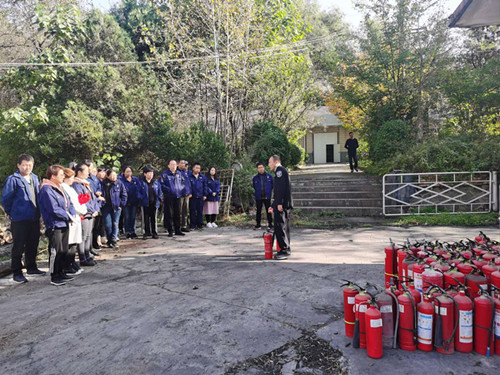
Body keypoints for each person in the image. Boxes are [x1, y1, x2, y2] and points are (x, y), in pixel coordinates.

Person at [1, 154, 44, 283]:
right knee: (18, 246)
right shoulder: (13, 179)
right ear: (18, 165)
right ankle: (17, 272)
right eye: (24, 165)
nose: (27, 167)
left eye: (29, 165)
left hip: (34, 217)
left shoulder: (35, 178)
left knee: (33, 243)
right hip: (19, 218)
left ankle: (31, 267)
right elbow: (6, 199)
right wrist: (10, 212)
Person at [39, 165, 76, 286]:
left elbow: (69, 202)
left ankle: (61, 272)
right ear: (53, 176)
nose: (63, 177)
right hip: (54, 223)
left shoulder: (59, 187)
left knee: (64, 249)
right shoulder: (47, 189)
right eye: (61, 175)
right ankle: (54, 275)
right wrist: (68, 216)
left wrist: (73, 213)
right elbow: (53, 209)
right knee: (56, 250)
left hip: (64, 222)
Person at [72, 163, 100, 265]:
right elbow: (82, 200)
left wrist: (96, 209)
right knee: (83, 236)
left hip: (91, 213)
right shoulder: (76, 184)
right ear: (79, 172)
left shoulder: (85, 183)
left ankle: (88, 255)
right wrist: (92, 210)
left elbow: (92, 198)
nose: (88, 173)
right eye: (86, 171)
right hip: (85, 213)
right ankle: (83, 257)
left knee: (89, 235)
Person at [268, 155, 293, 260]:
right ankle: (285, 248)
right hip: (280, 203)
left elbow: (281, 189)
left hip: (281, 204)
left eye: (270, 162)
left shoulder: (280, 171)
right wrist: (273, 205)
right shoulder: (280, 171)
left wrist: (280, 203)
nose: (269, 165)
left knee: (280, 227)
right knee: (283, 227)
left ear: (276, 161)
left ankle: (284, 250)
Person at [61, 168, 85, 274]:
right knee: (70, 243)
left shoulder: (69, 188)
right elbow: (72, 203)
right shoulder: (63, 188)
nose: (72, 179)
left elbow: (78, 200)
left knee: (74, 242)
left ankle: (72, 262)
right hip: (71, 216)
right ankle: (67, 264)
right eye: (70, 177)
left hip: (76, 216)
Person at [100, 169, 127, 248]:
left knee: (115, 223)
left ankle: (114, 239)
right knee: (108, 225)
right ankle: (109, 240)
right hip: (106, 207)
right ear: (108, 176)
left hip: (116, 207)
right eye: (112, 175)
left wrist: (121, 205)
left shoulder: (119, 183)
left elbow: (124, 195)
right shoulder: (103, 184)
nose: (114, 177)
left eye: (115, 175)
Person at [161, 160, 185, 237]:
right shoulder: (165, 175)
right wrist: (168, 190)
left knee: (177, 214)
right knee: (169, 214)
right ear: (168, 166)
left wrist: (180, 189)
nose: (173, 166)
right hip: (169, 197)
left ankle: (178, 230)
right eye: (172, 165)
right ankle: (170, 230)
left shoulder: (179, 174)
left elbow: (183, 183)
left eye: (175, 164)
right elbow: (161, 185)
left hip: (177, 196)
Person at [138, 165, 162, 240]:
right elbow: (138, 192)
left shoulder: (155, 182)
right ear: (145, 174)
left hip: (154, 203)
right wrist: (141, 198)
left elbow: (159, 192)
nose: (150, 175)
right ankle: (145, 232)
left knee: (153, 218)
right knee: (145, 218)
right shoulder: (141, 183)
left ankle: (154, 232)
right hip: (145, 203)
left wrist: (159, 199)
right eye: (149, 173)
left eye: (152, 173)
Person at [119, 165, 141, 239]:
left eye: (130, 171)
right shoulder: (121, 181)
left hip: (134, 201)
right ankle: (127, 231)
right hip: (126, 202)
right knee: (127, 217)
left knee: (133, 217)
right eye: (127, 171)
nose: (128, 173)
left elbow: (139, 189)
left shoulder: (135, 180)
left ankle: (133, 231)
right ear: (123, 172)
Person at [252, 162, 273, 231]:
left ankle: (270, 224)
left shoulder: (269, 176)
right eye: (259, 168)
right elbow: (254, 187)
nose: (260, 169)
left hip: (267, 196)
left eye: (261, 167)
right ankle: (258, 224)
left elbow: (272, 186)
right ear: (257, 169)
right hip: (259, 197)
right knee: (258, 211)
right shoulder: (255, 178)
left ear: (264, 167)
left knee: (269, 210)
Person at [91, 165, 107, 250]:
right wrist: (97, 198)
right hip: (93, 205)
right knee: (95, 226)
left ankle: (99, 239)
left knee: (100, 224)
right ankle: (95, 242)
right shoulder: (90, 180)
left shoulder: (99, 181)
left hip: (99, 205)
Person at [188, 163, 207, 230]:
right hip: (192, 197)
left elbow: (205, 186)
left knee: (200, 211)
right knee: (192, 211)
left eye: (199, 168)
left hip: (200, 197)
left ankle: (200, 225)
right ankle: (192, 225)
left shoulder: (202, 177)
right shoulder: (189, 177)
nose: (198, 169)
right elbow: (188, 186)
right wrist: (189, 193)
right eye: (196, 168)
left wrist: (205, 195)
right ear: (193, 168)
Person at [178, 159, 192, 232]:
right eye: (182, 163)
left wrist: (190, 192)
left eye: (184, 163)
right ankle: (178, 226)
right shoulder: (176, 172)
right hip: (180, 195)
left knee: (185, 211)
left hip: (186, 194)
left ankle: (184, 225)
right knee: (179, 211)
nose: (183, 165)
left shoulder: (185, 172)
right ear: (178, 164)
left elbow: (188, 183)